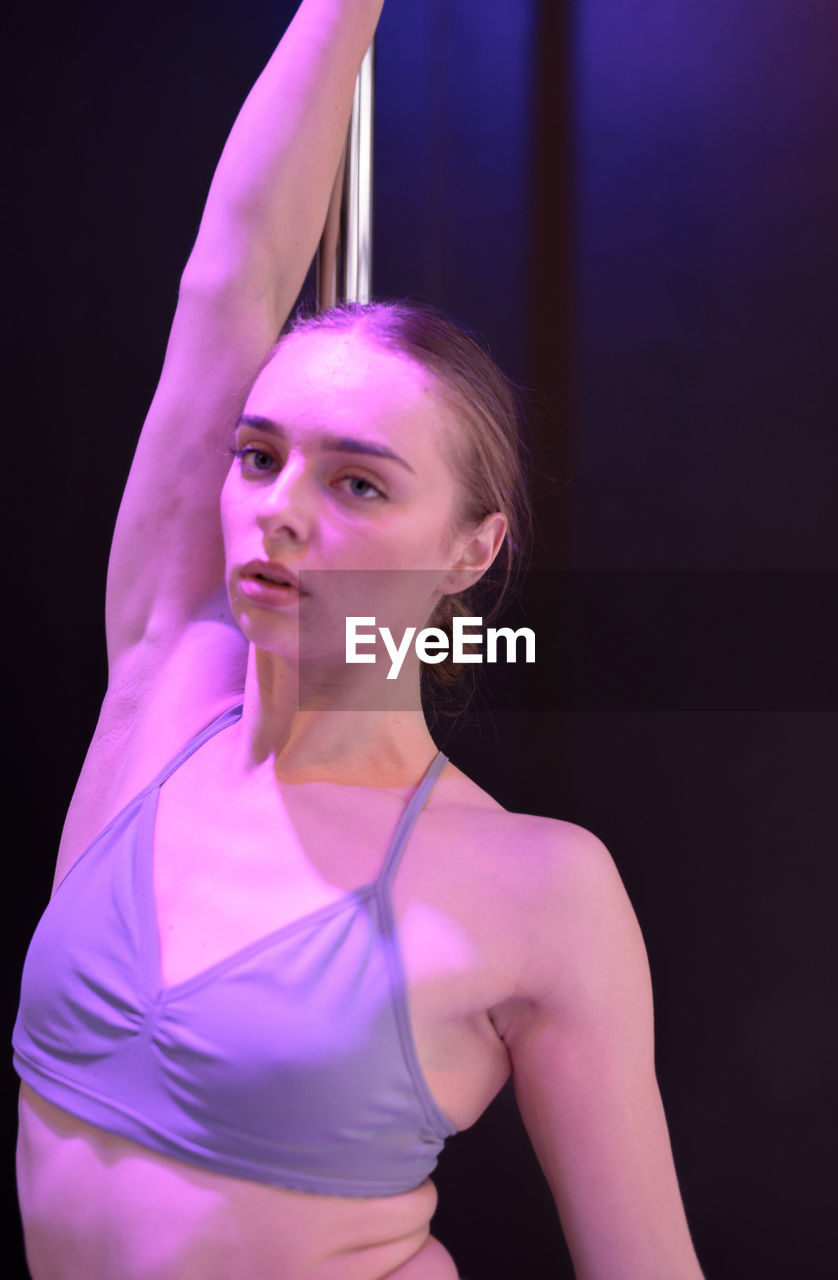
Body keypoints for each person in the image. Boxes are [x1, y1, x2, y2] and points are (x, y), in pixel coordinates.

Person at [12, 2, 706, 1277]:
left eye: (360, 482)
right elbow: (229, 278)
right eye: (260, 454)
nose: (277, 505)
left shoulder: (539, 886)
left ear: (470, 549)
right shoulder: (169, 682)